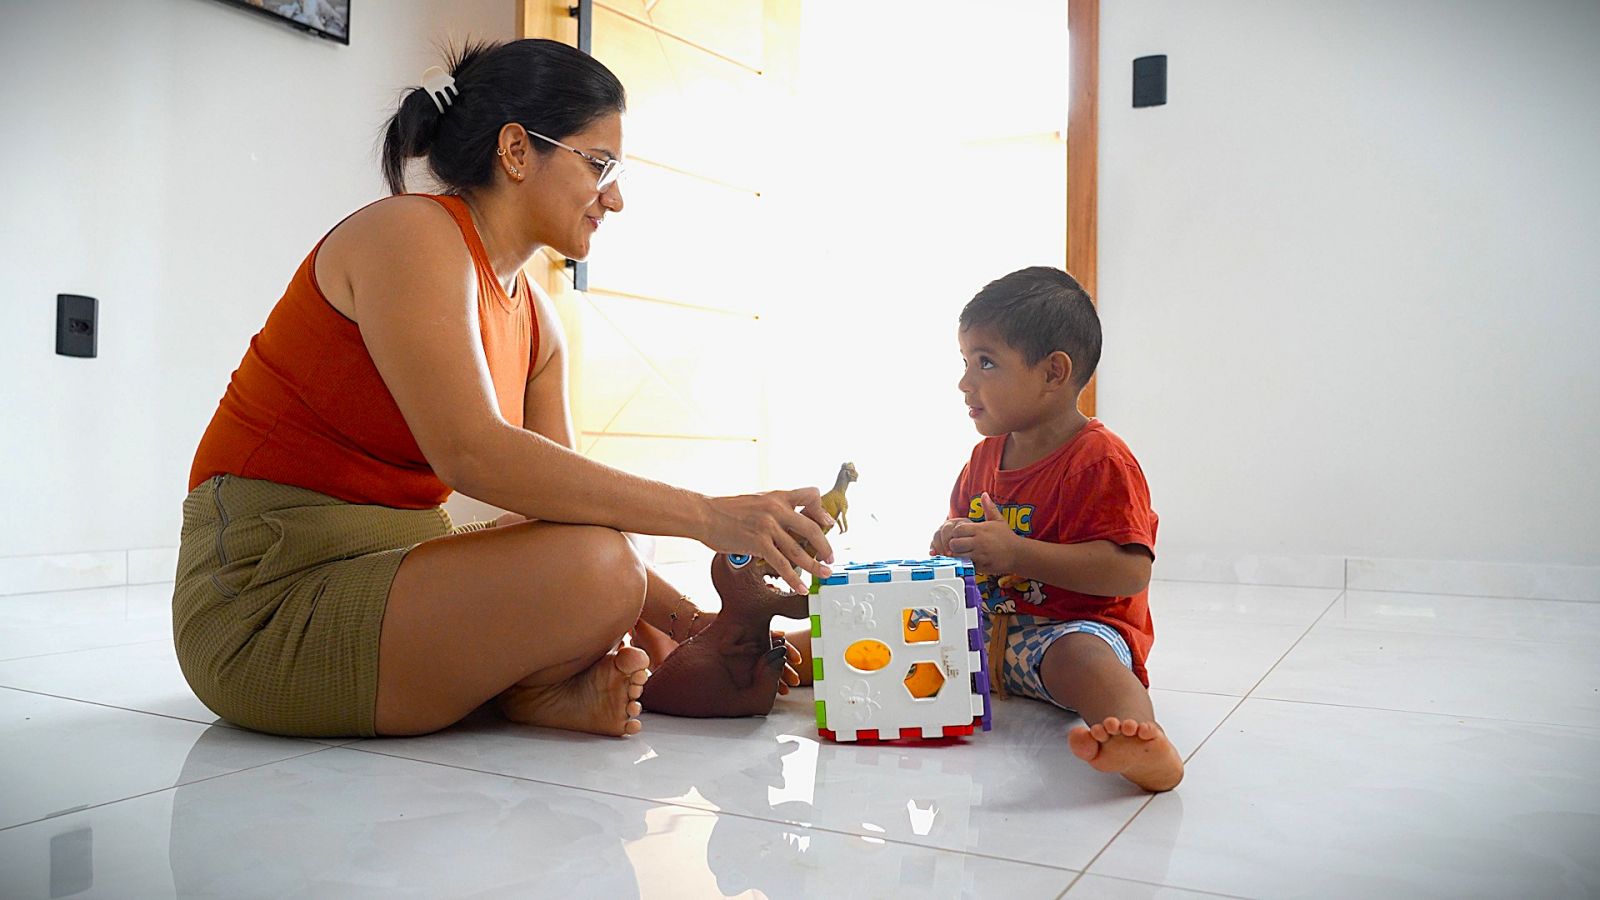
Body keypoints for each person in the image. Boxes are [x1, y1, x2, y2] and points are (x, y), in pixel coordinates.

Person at [172, 39, 831, 742]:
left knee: (595, 541)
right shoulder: (411, 233)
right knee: (600, 567)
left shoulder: (538, 320)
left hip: (391, 574)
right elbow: (472, 453)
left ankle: (572, 683)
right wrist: (709, 516)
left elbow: (571, 510)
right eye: (600, 164)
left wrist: (695, 622)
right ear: (516, 151)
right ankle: (538, 683)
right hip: (267, 601)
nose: (615, 198)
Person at [929, 267, 1183, 792]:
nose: (965, 382)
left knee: (1086, 660)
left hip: (1066, 634)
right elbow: (960, 557)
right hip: (987, 634)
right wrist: (950, 544)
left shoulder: (1099, 460)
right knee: (903, 626)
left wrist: (1017, 553)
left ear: (1053, 372)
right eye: (965, 362)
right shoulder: (982, 459)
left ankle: (1140, 741)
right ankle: (794, 654)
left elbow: (1129, 572)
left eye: (986, 362)